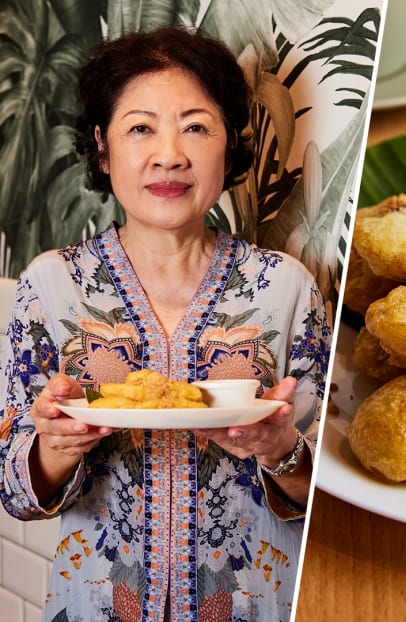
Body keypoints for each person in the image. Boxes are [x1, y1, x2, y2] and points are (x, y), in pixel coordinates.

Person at [0, 26, 330, 622]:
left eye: (197, 126)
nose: (170, 154)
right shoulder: (50, 287)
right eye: (141, 127)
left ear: (229, 147)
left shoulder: (286, 288)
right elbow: (13, 493)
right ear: (103, 147)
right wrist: (53, 449)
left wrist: (281, 448)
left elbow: (330, 499)